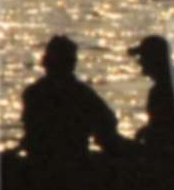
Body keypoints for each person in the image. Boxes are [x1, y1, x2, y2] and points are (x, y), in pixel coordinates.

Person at [18, 34, 124, 164]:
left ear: (45, 62)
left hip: (43, 162)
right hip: (71, 163)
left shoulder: (33, 93)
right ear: (72, 64)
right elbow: (106, 128)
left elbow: (30, 134)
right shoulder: (83, 95)